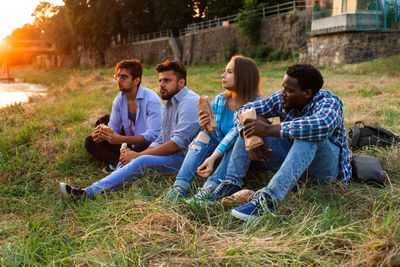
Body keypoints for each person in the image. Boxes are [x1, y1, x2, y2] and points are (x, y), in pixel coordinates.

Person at [226, 64, 351, 222]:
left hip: (325, 174)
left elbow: (321, 125)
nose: (283, 94)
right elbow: (241, 111)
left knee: (308, 134)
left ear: (307, 93)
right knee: (250, 124)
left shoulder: (329, 102)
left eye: (290, 90)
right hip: (296, 166)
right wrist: (248, 135)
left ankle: (268, 200)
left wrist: (270, 130)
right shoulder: (282, 99)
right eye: (283, 88)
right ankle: (230, 183)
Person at [60, 60, 200, 200]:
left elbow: (176, 144)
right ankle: (115, 174)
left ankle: (86, 194)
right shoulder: (170, 103)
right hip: (168, 152)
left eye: (167, 80)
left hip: (187, 159)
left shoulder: (189, 102)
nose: (161, 85)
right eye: (160, 80)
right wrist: (127, 151)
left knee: (141, 161)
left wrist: (138, 155)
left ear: (181, 83)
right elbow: (162, 139)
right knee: (129, 156)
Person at [167, 55, 276, 202]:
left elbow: (235, 134)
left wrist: (213, 156)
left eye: (229, 72)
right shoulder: (221, 99)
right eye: (225, 71)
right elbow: (217, 135)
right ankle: (179, 187)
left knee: (237, 139)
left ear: (244, 76)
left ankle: (206, 191)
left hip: (244, 159)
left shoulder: (257, 103)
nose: (223, 75)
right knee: (203, 135)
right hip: (218, 155)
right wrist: (208, 127)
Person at [84, 59, 163, 173]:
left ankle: (126, 163)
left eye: (124, 77)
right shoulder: (120, 99)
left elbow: (154, 135)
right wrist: (103, 135)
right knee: (90, 141)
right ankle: (118, 163)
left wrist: (121, 139)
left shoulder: (151, 99)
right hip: (129, 142)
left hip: (150, 145)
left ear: (136, 80)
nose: (119, 81)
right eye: (117, 76)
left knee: (142, 145)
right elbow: (114, 128)